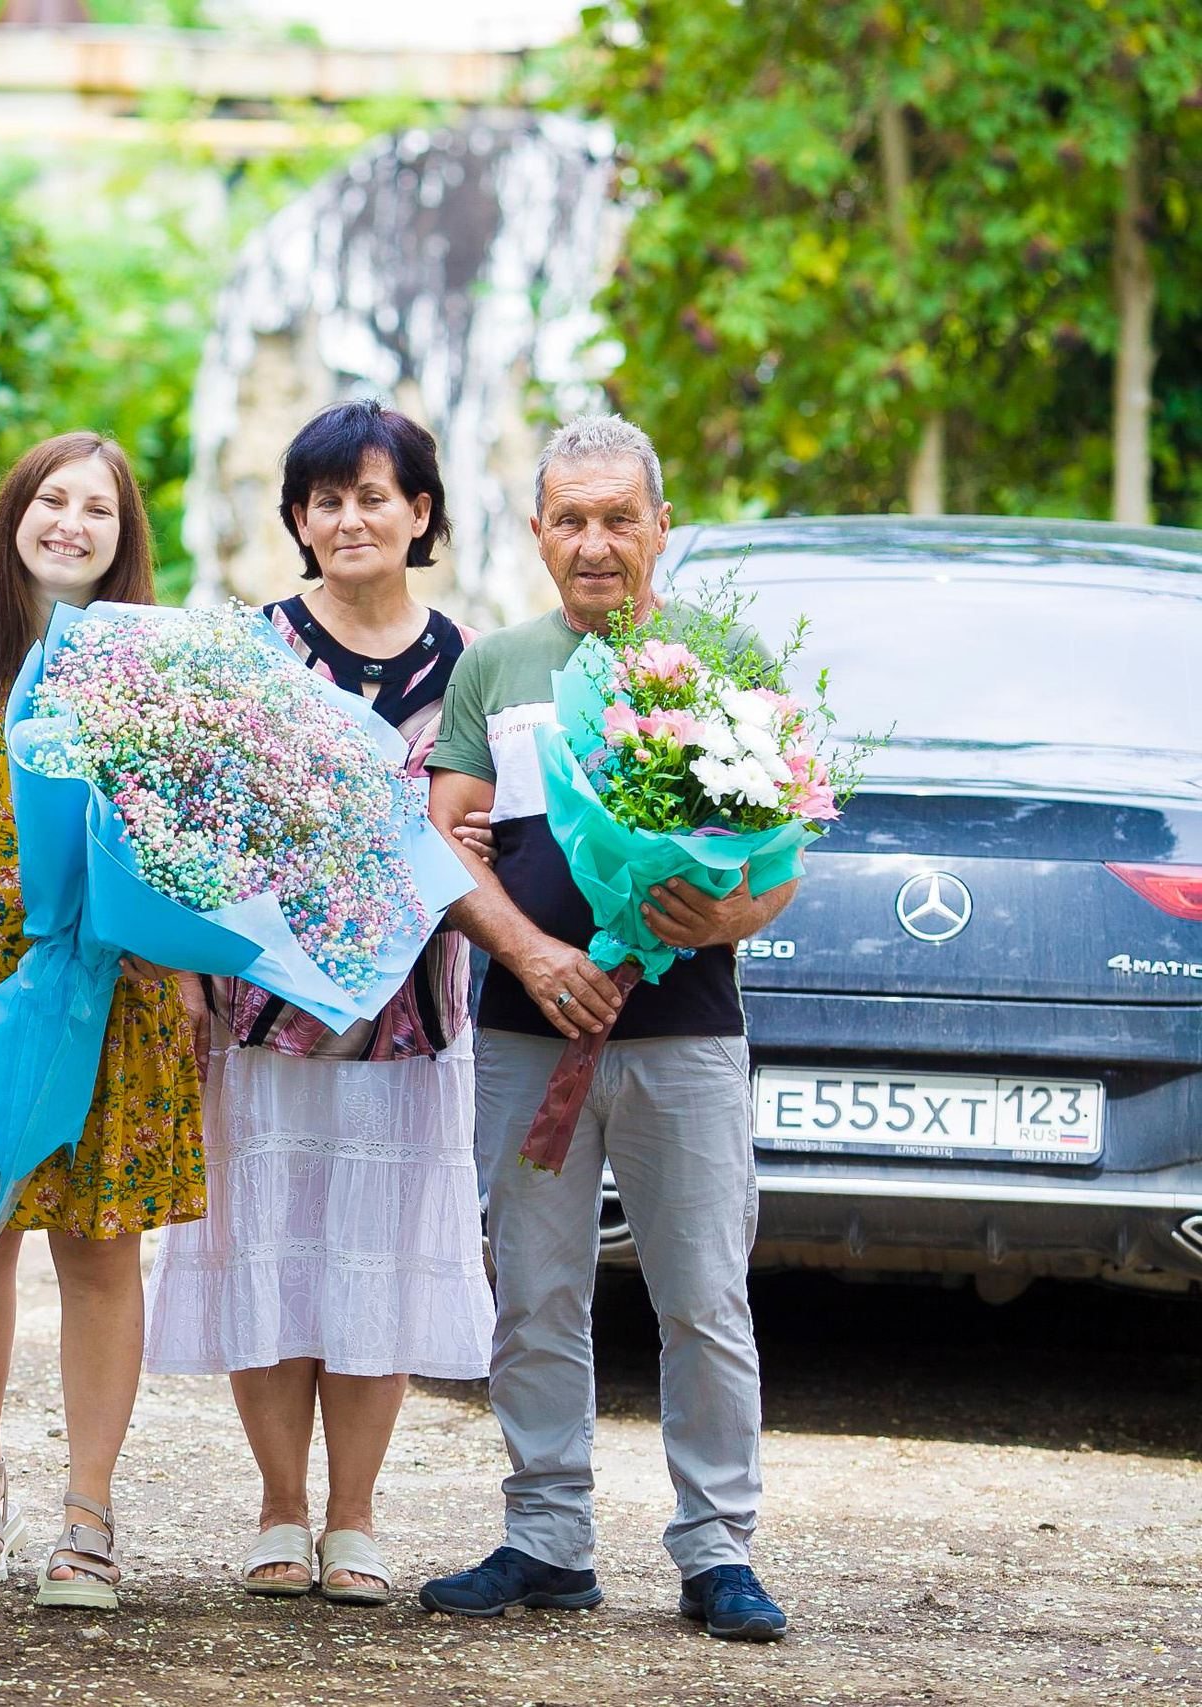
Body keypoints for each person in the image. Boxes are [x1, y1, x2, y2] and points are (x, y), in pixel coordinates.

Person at [418, 413, 797, 1643]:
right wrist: (527, 954)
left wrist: (722, 909)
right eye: (569, 520)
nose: (593, 543)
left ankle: (717, 1549)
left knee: (702, 1296)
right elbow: (442, 836)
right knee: (531, 1293)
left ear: (659, 528)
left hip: (685, 1033)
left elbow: (783, 859)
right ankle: (545, 1539)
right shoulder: (496, 667)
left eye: (616, 518)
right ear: (536, 534)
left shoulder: (723, 656)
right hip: (528, 1033)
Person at [143, 401, 492, 1605]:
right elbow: (185, 827)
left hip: (410, 1017)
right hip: (264, 1006)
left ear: (421, 513)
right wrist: (188, 973)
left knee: (378, 1259)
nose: (350, 518)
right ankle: (278, 1512)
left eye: (374, 497)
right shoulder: (251, 651)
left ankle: (356, 1519)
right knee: (271, 1249)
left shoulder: (470, 665)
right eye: (325, 500)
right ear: (298, 518)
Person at [0, 432, 201, 1613]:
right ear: (13, 511)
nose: (71, 523)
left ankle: (87, 1513)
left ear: (126, 542)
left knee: (97, 1241)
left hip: (109, 987)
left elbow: (186, 848)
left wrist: (179, 972)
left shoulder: (150, 670)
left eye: (100, 511)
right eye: (51, 500)